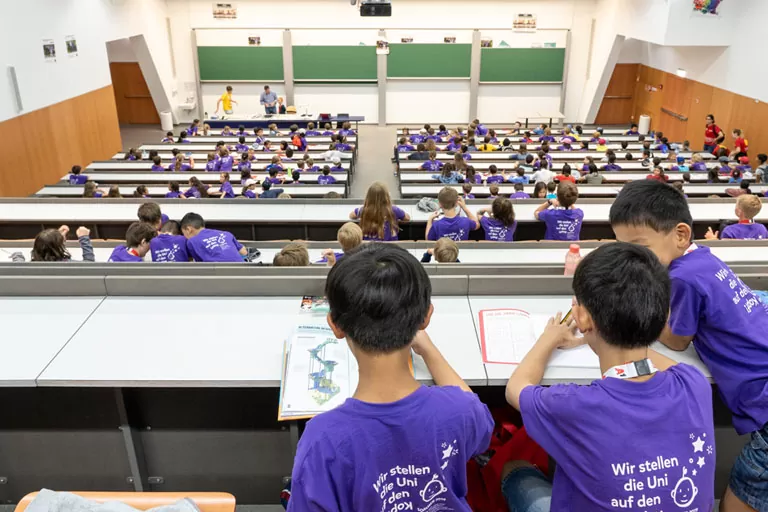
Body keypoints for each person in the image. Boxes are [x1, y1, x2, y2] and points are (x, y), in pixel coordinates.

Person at [502, 242, 715, 512]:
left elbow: (516, 388)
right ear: (664, 316)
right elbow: (646, 360)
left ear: (581, 317)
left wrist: (548, 339)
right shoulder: (693, 383)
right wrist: (603, 334)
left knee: (515, 470)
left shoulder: (572, 405)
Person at [289, 243, 492, 511]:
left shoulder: (322, 440)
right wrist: (429, 350)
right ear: (426, 317)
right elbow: (479, 420)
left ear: (335, 325)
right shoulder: (460, 410)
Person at [610, 180, 768, 511]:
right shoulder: (702, 258)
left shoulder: (682, 278)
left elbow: (678, 340)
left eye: (639, 247)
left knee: (738, 500)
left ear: (680, 235)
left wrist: (639, 318)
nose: (632, 259)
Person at [181, 212, 247, 262]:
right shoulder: (226, 234)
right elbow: (244, 252)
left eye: (183, 233)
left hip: (217, 275)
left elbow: (199, 264)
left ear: (188, 229)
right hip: (242, 272)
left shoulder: (192, 241)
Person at [12, 225, 94, 263]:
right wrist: (84, 237)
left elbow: (18, 263)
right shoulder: (68, 264)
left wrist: (54, 236)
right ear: (59, 247)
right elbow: (89, 264)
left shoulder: (29, 267)